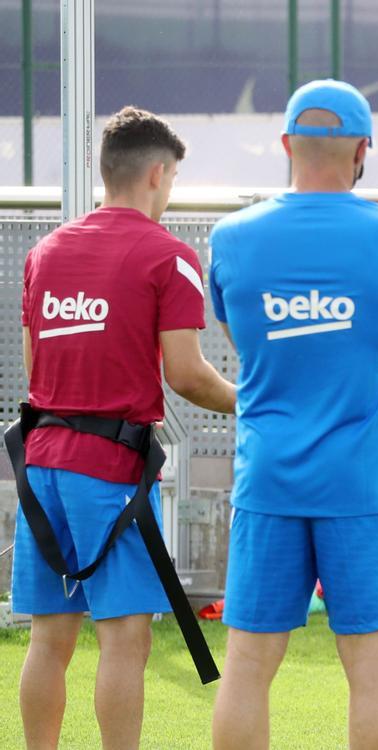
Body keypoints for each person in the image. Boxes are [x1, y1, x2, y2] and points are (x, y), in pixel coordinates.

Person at [209, 79, 378, 750]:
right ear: (364, 148)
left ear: (285, 145)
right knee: (371, 668)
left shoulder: (232, 237)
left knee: (247, 666)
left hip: (267, 483)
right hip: (359, 490)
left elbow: (239, 340)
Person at [11, 106, 237, 749]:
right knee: (125, 637)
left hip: (41, 468)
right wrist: (257, 402)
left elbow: (37, 371)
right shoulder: (169, 256)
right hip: (107, 475)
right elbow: (189, 376)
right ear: (159, 175)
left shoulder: (44, 253)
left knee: (50, 638)